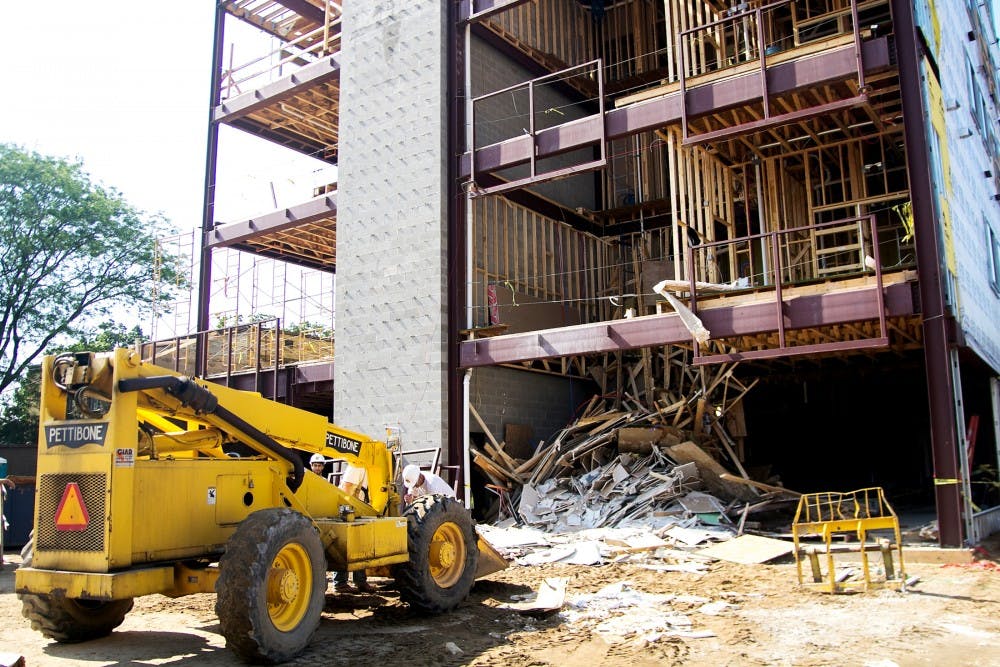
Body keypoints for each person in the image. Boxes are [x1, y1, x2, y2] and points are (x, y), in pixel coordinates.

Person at [333, 462, 375, 594]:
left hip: (360, 510)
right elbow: (347, 488)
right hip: (349, 509)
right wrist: (349, 511)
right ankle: (340, 583)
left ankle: (361, 581)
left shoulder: (371, 469)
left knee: (361, 546)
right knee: (345, 546)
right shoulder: (358, 466)